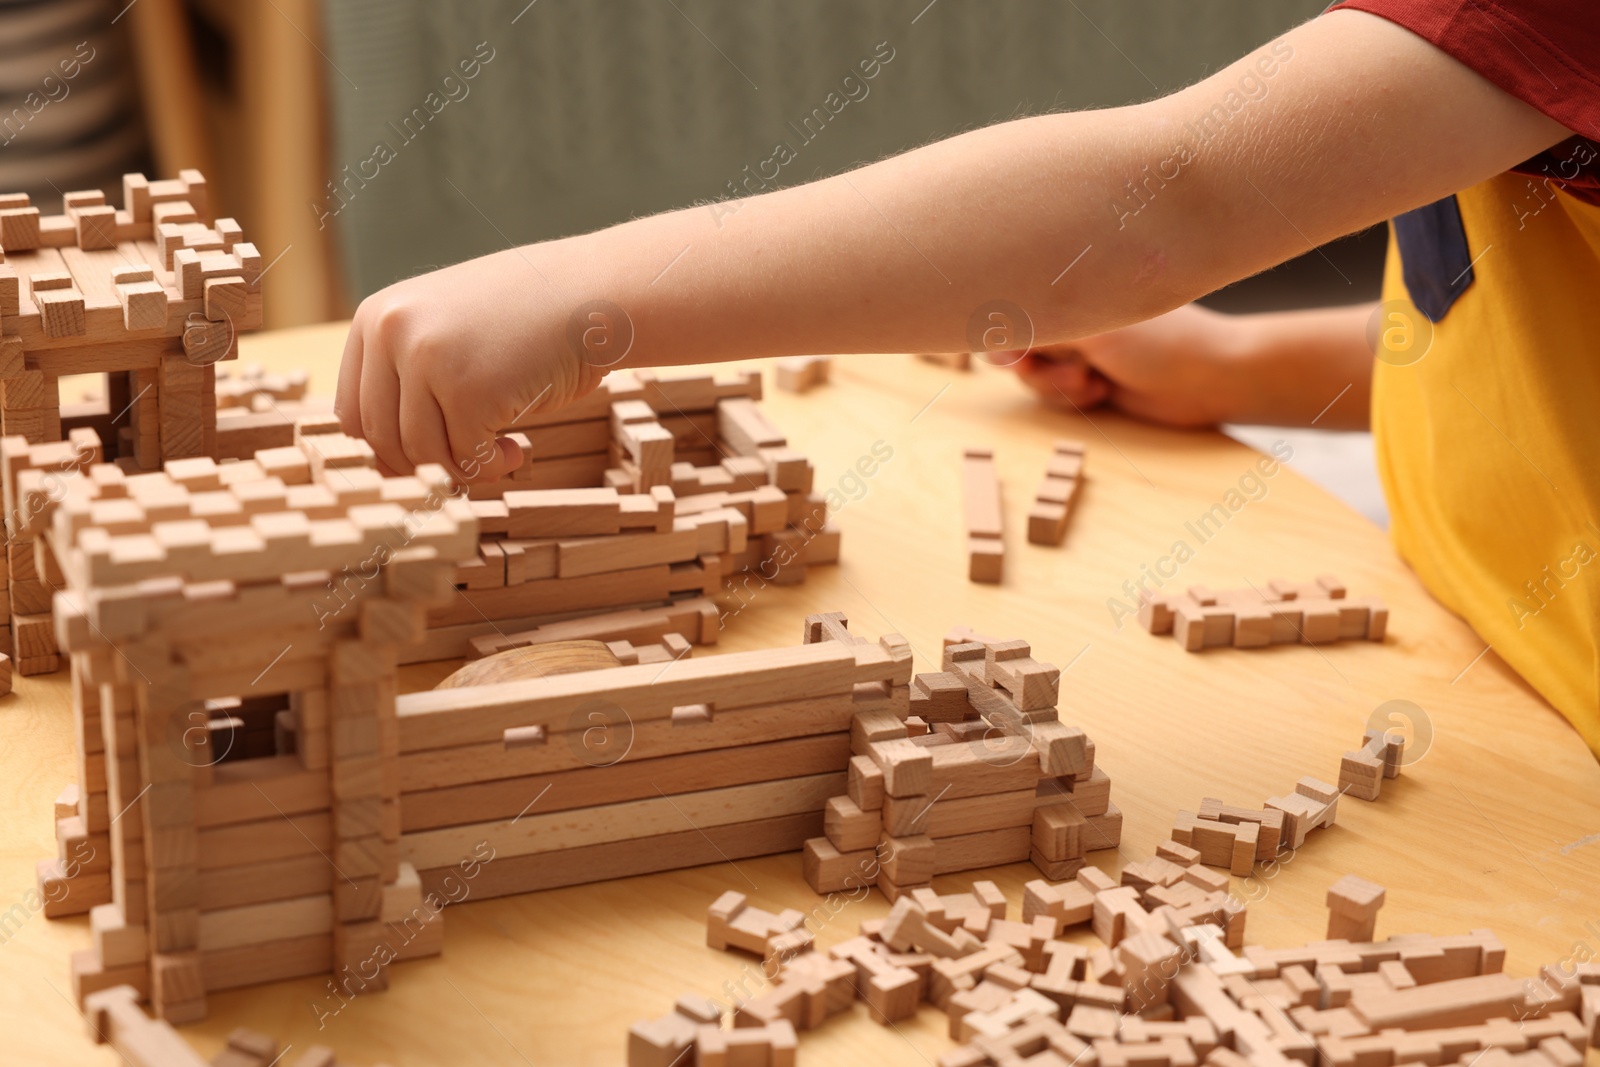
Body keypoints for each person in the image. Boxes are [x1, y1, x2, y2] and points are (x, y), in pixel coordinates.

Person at [335, 2, 1600, 756]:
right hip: (1471, 612)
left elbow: (1163, 207)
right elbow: (1519, 303)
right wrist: (1241, 358)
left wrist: (585, 297)